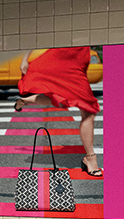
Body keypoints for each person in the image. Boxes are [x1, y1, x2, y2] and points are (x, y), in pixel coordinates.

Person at [13, 47, 103, 177]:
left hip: (79, 59)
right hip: (62, 56)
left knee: (62, 101)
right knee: (88, 109)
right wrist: (25, 59)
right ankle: (91, 158)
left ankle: (25, 101)